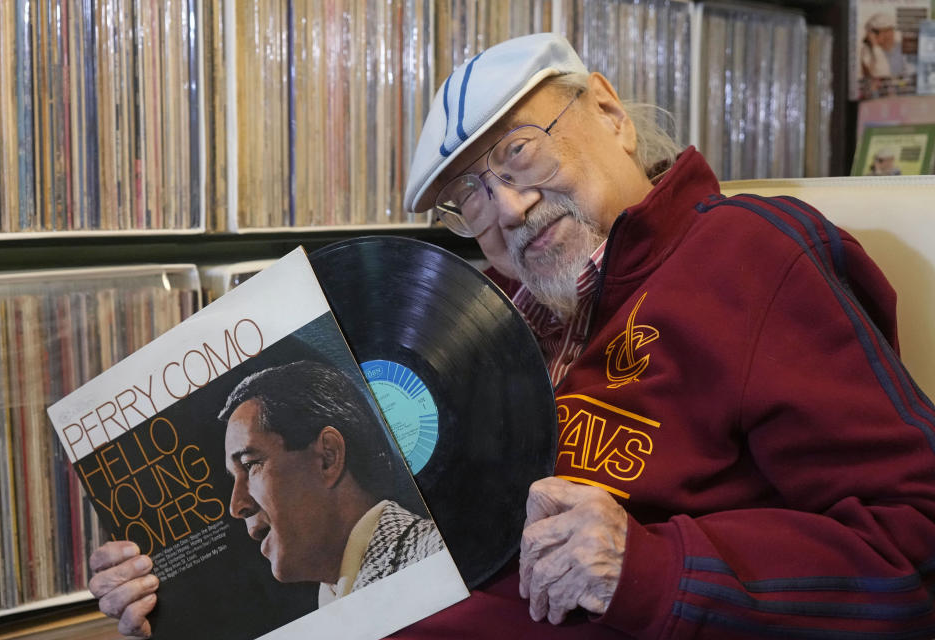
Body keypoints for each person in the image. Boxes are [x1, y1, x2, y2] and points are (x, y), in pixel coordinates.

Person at [89, 33, 935, 638]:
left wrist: (649, 569)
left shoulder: (753, 256)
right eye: (472, 198)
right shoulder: (485, 311)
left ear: (609, 112)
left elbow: (914, 544)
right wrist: (175, 588)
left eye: (520, 155)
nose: (510, 210)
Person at [89, 360, 444, 637]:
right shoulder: (333, 595)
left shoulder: (438, 559)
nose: (236, 505)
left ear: (328, 457)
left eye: (251, 465)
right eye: (234, 478)